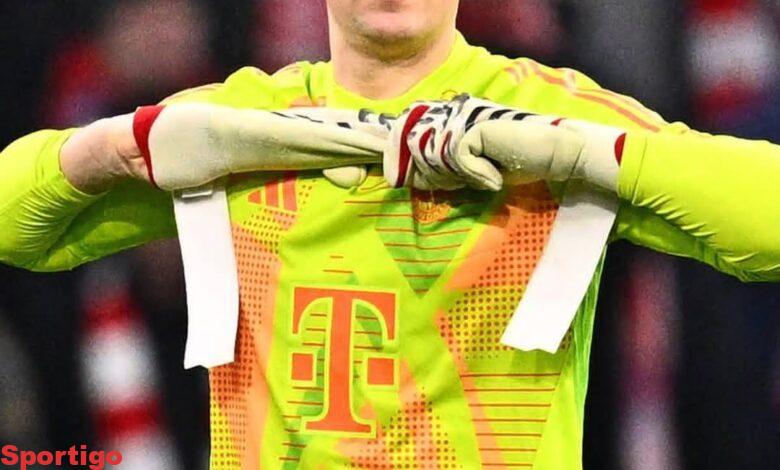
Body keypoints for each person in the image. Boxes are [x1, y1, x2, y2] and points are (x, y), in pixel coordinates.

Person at [1, 1, 779, 468]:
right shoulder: (239, 127)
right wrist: (116, 146)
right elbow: (13, 230)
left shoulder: (552, 115)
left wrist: (584, 157)